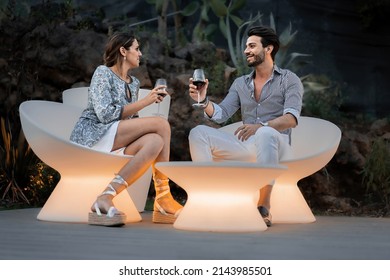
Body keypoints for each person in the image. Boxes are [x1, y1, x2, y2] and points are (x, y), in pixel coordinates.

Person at [188, 26, 303, 227]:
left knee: (266, 133)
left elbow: (291, 118)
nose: (246, 51)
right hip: (247, 145)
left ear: (268, 49)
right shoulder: (240, 83)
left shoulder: (288, 79)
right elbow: (222, 114)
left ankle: (264, 204)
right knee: (198, 133)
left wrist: (261, 126)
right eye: (246, 46)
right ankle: (207, 196)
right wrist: (204, 100)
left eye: (252, 46)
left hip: (278, 145)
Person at [70, 32, 182, 227]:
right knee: (161, 123)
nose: (140, 54)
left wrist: (141, 115)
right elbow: (105, 114)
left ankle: (105, 196)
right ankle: (163, 197)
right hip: (93, 135)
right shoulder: (103, 73)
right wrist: (146, 102)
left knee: (156, 141)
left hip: (115, 139)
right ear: (123, 51)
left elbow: (131, 120)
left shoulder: (134, 83)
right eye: (137, 49)